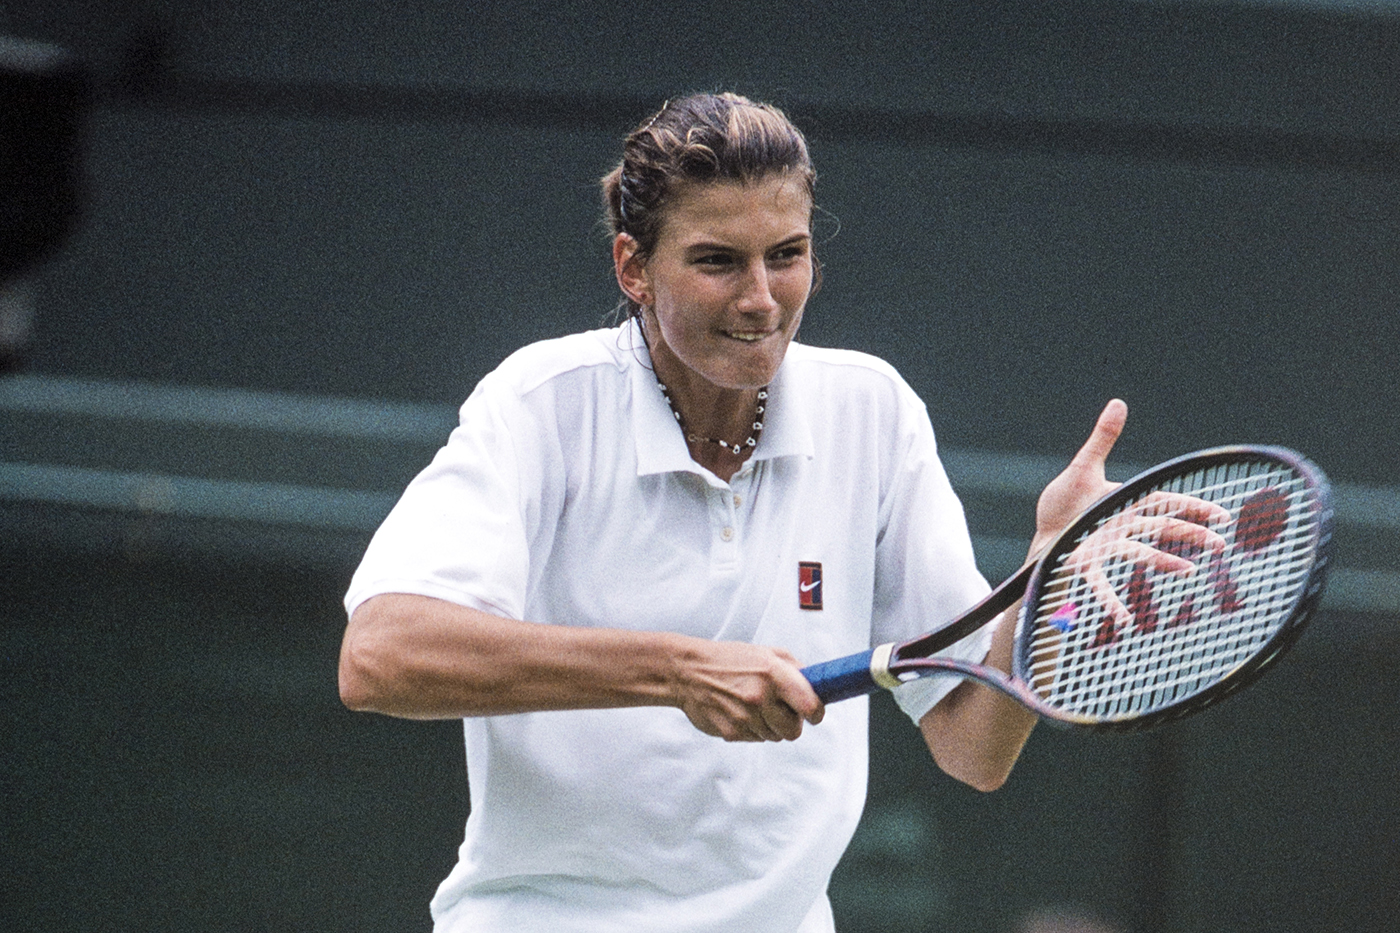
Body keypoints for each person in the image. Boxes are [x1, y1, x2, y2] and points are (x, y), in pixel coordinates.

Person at [338, 91, 1129, 933]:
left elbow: (976, 746)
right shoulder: (541, 402)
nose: (761, 298)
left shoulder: (874, 410)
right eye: (718, 261)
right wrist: (679, 670)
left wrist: (1049, 577)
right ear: (633, 267)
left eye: (786, 255)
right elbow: (380, 654)